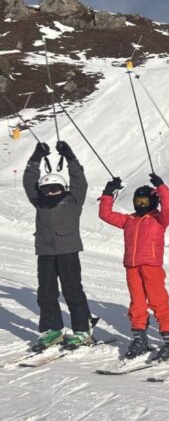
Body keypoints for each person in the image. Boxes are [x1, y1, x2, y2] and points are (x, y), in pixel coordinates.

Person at [98, 173, 169, 358]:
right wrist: (108, 193)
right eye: (138, 201)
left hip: (151, 266)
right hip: (132, 267)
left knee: (158, 302)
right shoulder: (129, 220)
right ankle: (140, 338)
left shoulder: (159, 219)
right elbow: (105, 214)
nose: (141, 205)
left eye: (144, 201)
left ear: (153, 202)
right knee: (137, 303)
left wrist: (161, 187)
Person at [23, 141, 94, 348]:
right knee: (46, 293)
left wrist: (70, 157)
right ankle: (52, 329)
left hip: (68, 252)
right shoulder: (39, 202)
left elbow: (79, 181)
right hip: (45, 252)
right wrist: (35, 158)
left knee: (72, 291)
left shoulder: (73, 201)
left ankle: (82, 329)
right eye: (47, 189)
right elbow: (28, 181)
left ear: (63, 189)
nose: (51, 193)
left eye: (55, 189)